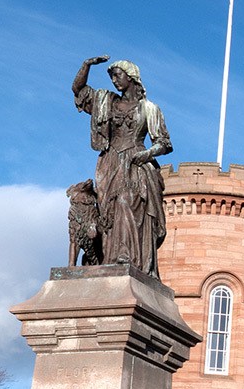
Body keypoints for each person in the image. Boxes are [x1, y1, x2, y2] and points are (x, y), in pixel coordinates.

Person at [71, 56, 173, 278]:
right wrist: (86, 66)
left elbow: (164, 143)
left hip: (136, 163)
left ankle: (127, 258)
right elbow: (78, 89)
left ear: (131, 78)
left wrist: (146, 153)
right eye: (112, 77)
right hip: (110, 162)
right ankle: (110, 258)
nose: (114, 81)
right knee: (108, 211)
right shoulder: (106, 102)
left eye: (118, 76)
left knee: (126, 202)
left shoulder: (149, 109)